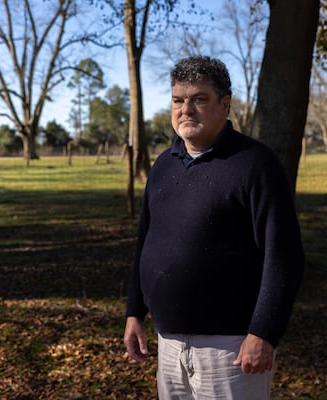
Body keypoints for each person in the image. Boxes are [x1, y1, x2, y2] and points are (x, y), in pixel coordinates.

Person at [123, 55, 304, 399]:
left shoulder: (255, 164)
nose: (185, 109)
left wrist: (263, 333)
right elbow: (145, 242)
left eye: (199, 99)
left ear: (225, 105)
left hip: (232, 348)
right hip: (170, 343)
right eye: (178, 100)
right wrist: (135, 311)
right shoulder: (163, 166)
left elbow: (284, 256)